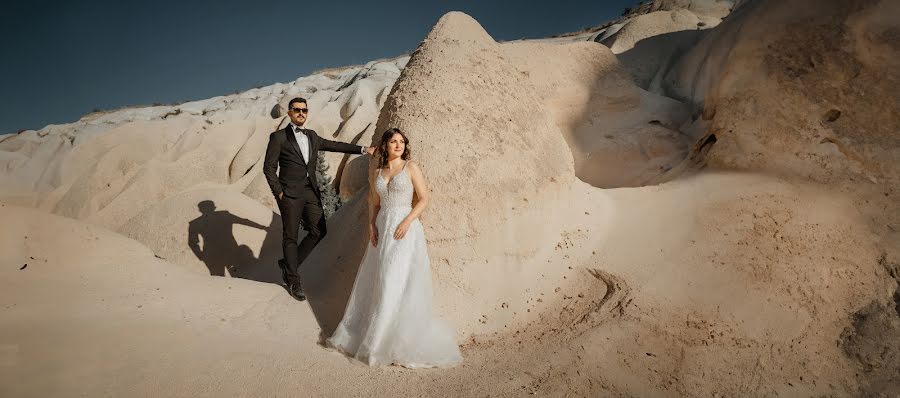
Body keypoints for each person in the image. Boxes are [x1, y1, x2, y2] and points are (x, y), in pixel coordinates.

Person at [327, 128, 462, 368]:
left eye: (401, 141)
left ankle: (384, 344)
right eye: (393, 141)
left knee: (393, 279)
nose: (398, 145)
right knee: (378, 279)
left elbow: (424, 199)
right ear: (386, 145)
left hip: (404, 230)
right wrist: (371, 226)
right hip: (382, 228)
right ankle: (375, 337)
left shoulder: (411, 167)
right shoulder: (378, 171)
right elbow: (374, 202)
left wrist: (408, 221)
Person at [263, 97, 375, 300]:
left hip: (310, 192)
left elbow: (334, 145)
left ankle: (289, 265)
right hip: (290, 194)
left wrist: (364, 149)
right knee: (290, 236)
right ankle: (293, 279)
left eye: (304, 110)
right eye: (296, 110)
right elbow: (268, 168)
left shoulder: (312, 136)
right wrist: (279, 193)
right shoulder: (278, 137)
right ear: (289, 113)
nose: (301, 113)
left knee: (319, 230)